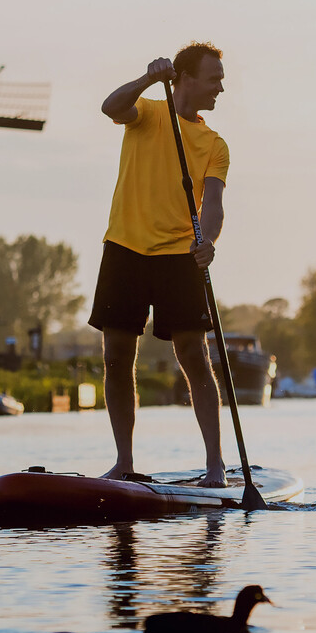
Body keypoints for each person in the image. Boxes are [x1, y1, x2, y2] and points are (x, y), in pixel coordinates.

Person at [90, 42, 231, 487]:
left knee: (194, 355)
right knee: (116, 357)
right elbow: (110, 107)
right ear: (186, 77)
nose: (220, 88)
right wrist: (150, 77)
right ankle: (124, 462)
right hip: (124, 248)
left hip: (179, 256)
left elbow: (214, 206)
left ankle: (215, 467)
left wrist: (206, 241)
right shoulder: (147, 113)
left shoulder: (215, 144)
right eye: (214, 78)